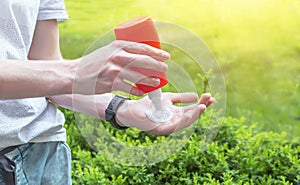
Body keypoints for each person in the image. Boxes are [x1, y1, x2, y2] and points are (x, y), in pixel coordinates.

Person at [0, 0, 215, 184]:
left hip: (47, 151)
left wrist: (122, 108)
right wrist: (76, 71)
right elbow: (62, 73)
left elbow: (44, 66)